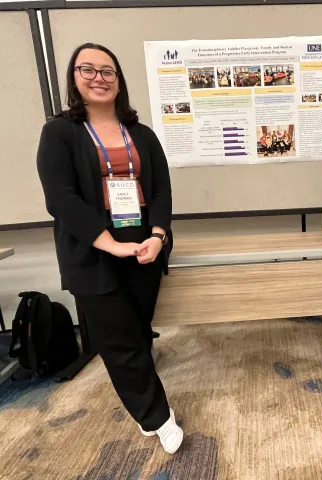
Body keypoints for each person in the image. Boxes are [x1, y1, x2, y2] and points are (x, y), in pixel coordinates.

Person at [36, 43, 183, 453]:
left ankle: (142, 400)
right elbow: (61, 199)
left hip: (143, 245)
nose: (99, 78)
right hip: (91, 248)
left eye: (108, 71)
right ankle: (156, 416)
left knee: (135, 332)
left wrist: (157, 235)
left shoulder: (141, 134)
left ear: (119, 81)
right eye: (88, 70)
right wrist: (110, 244)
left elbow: (160, 191)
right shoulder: (59, 132)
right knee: (120, 342)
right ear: (74, 78)